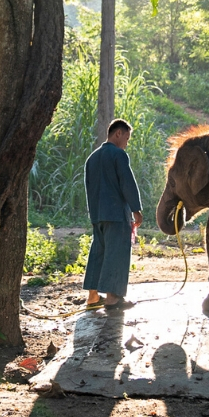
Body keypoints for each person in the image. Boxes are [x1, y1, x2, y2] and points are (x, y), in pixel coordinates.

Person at [83, 118, 143, 310]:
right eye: (127, 138)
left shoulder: (92, 158)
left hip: (97, 215)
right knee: (116, 254)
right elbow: (127, 184)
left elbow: (89, 188)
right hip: (116, 215)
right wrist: (136, 210)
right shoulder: (119, 155)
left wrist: (94, 214)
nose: (126, 143)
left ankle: (93, 296)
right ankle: (112, 299)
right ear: (118, 133)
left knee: (98, 252)